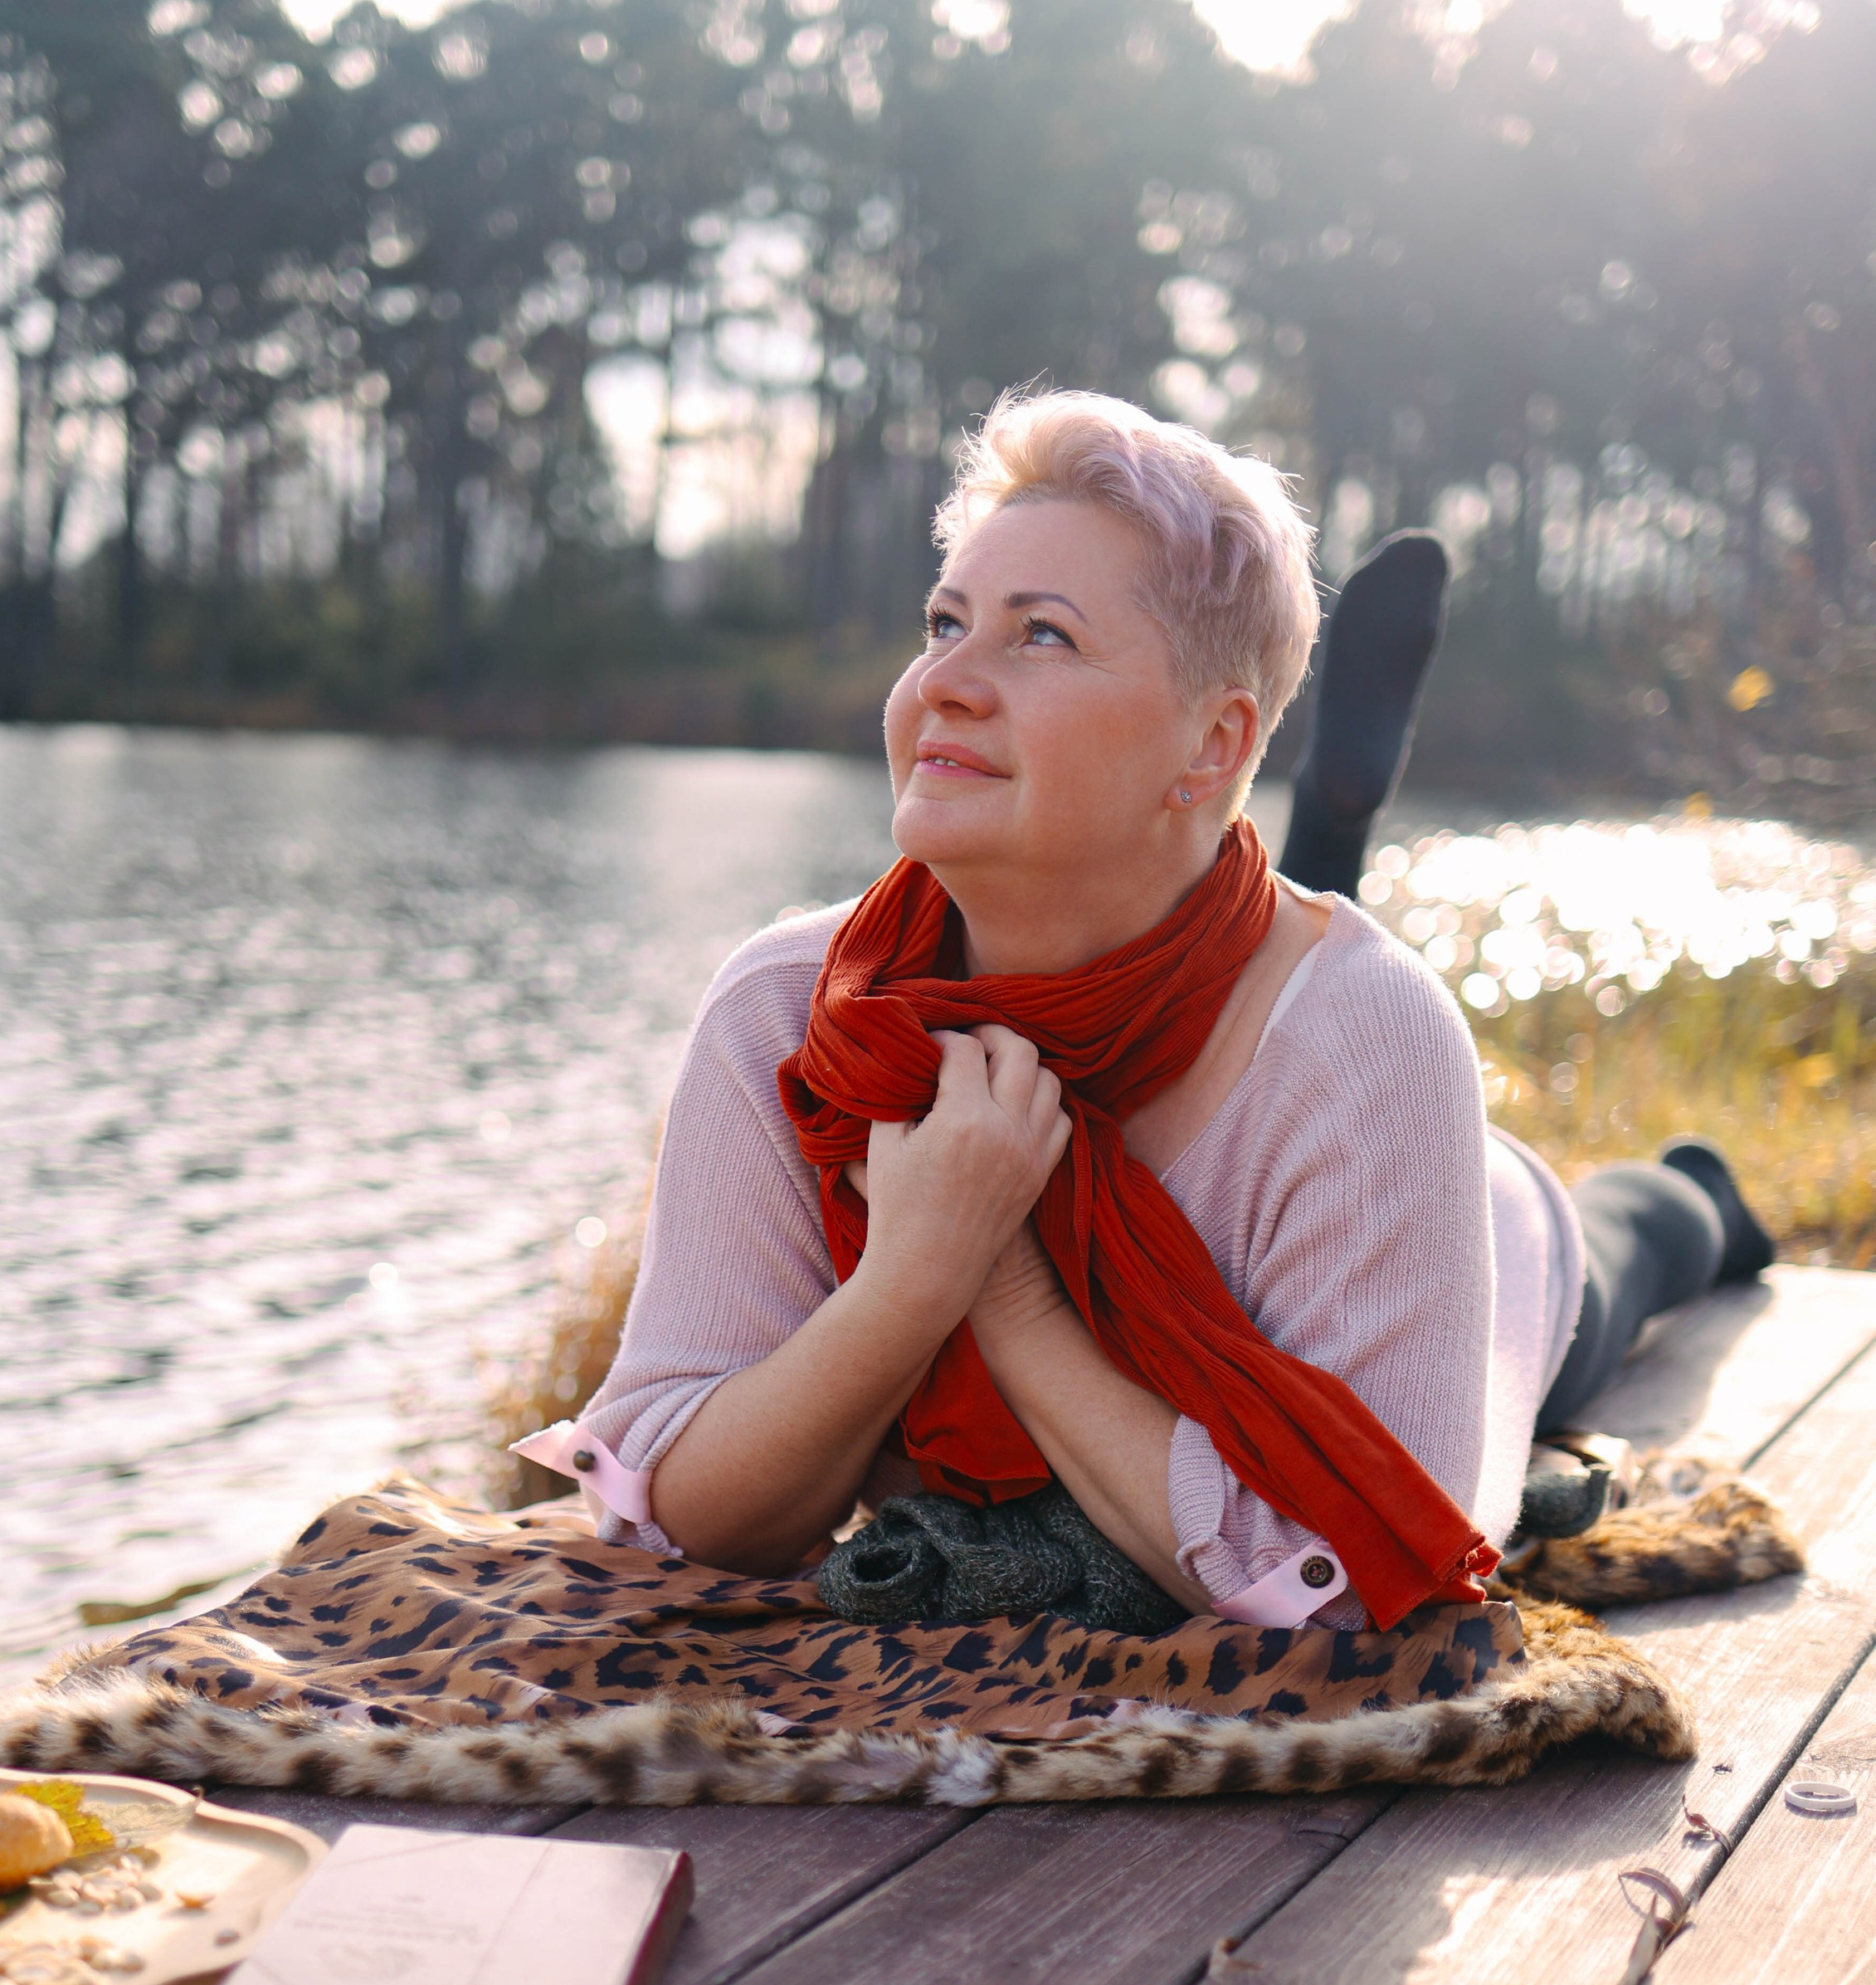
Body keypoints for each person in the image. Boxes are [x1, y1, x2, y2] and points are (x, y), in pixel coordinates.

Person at [521, 389, 1771, 1633]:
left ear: (1213, 744)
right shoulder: (794, 1017)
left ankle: (1701, 1192)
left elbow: (1349, 1591)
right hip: (1244, 980)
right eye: (944, 623)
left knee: (1629, 1242)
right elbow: (673, 1521)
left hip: (1477, 1225)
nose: (946, 681)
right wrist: (911, 1275)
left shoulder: (1376, 1042)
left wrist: (1002, 1285)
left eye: (1041, 636)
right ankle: (1324, 841)